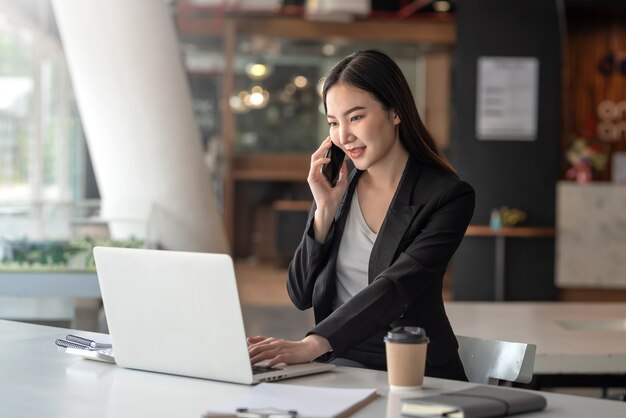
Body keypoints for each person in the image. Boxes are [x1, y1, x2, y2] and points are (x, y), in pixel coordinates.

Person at [248, 50, 474, 381]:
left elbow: (396, 287)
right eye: (333, 123)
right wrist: (324, 210)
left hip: (412, 369)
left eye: (355, 118)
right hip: (339, 364)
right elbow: (300, 294)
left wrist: (313, 344)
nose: (343, 136)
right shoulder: (338, 186)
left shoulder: (447, 196)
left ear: (395, 112)